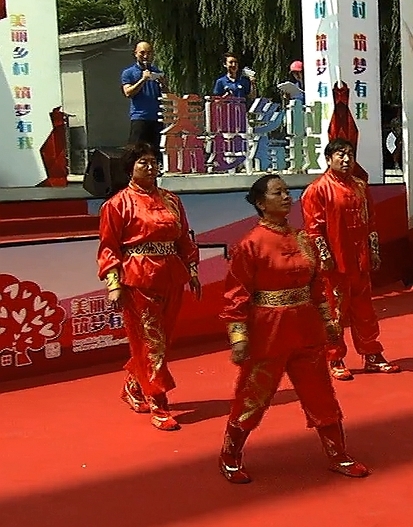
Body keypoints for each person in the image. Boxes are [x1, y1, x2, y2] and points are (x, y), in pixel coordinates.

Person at [218, 175, 370, 484]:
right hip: (268, 329)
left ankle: (337, 453)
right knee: (253, 394)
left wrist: (328, 321)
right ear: (261, 203)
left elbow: (317, 286)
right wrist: (239, 337)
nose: (287, 197)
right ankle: (230, 455)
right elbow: (236, 294)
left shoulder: (303, 239)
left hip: (305, 325)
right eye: (278, 193)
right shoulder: (250, 243)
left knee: (320, 393)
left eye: (288, 191)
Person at [97, 142, 201, 431]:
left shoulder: (171, 200)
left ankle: (133, 385)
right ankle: (159, 401)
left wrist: (192, 270)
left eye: (154, 161)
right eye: (143, 162)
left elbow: (183, 239)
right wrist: (113, 283)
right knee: (151, 342)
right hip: (138, 277)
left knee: (161, 342)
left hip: (171, 274)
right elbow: (109, 248)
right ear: (130, 167)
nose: (150, 166)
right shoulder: (117, 204)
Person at [301, 139, 399, 379]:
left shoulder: (360, 186)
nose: (346, 160)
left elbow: (371, 221)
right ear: (328, 159)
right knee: (334, 312)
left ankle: (372, 354)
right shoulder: (317, 189)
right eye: (340, 155)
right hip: (335, 263)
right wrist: (325, 257)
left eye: (349, 155)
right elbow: (313, 228)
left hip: (360, 260)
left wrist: (373, 250)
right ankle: (334, 357)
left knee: (365, 310)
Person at [120, 42, 166, 148]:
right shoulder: (129, 73)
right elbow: (128, 93)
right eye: (142, 53)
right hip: (140, 117)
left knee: (156, 151)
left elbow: (166, 95)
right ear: (135, 53)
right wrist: (143, 79)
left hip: (157, 118)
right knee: (136, 150)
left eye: (149, 53)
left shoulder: (157, 72)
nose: (146, 56)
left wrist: (164, 84)